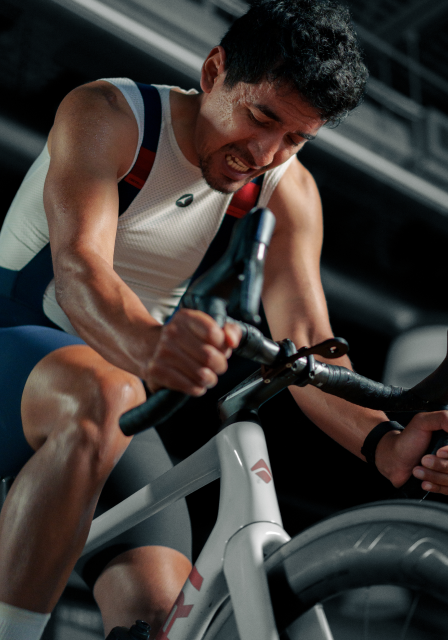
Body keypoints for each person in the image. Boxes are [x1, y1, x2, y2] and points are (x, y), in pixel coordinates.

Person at [1, 0, 448, 637]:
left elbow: (312, 347)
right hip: (21, 343)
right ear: (214, 72)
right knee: (108, 389)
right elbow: (80, 273)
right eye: (261, 116)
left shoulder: (286, 187)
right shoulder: (110, 115)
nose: (266, 152)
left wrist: (383, 443)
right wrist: (152, 347)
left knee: (165, 619)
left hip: (116, 385)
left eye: (295, 137)